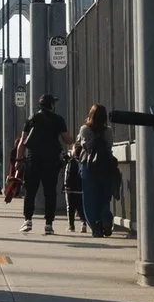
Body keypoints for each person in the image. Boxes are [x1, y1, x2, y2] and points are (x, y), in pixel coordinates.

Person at [17, 94, 68, 233]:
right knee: (50, 193)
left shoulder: (32, 118)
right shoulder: (58, 119)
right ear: (51, 105)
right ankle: (49, 225)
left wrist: (18, 160)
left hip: (33, 160)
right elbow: (67, 139)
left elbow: (22, 142)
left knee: (30, 191)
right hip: (51, 161)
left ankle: (28, 220)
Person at [74, 104, 120, 237]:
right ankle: (106, 218)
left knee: (90, 198)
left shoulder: (85, 129)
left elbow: (86, 146)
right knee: (104, 196)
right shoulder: (108, 131)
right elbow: (109, 147)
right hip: (106, 166)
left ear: (91, 115)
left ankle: (95, 228)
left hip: (88, 167)